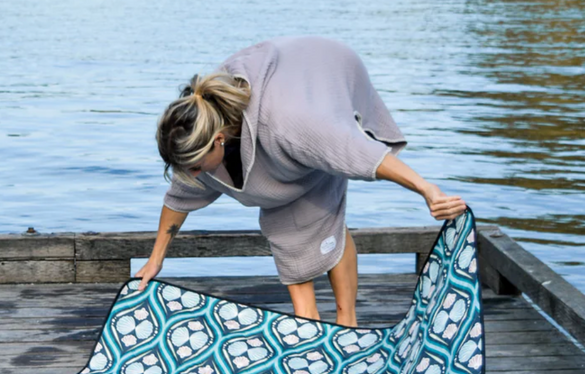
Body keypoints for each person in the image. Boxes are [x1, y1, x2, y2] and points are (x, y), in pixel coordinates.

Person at [137, 36, 468, 327]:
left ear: (219, 139)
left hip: (326, 72)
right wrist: (156, 258)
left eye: (195, 166)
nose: (193, 175)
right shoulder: (197, 130)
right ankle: (308, 327)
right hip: (280, 82)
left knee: (322, 212)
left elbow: (365, 155)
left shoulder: (295, 125)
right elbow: (179, 198)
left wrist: (426, 189)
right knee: (286, 229)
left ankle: (347, 324)